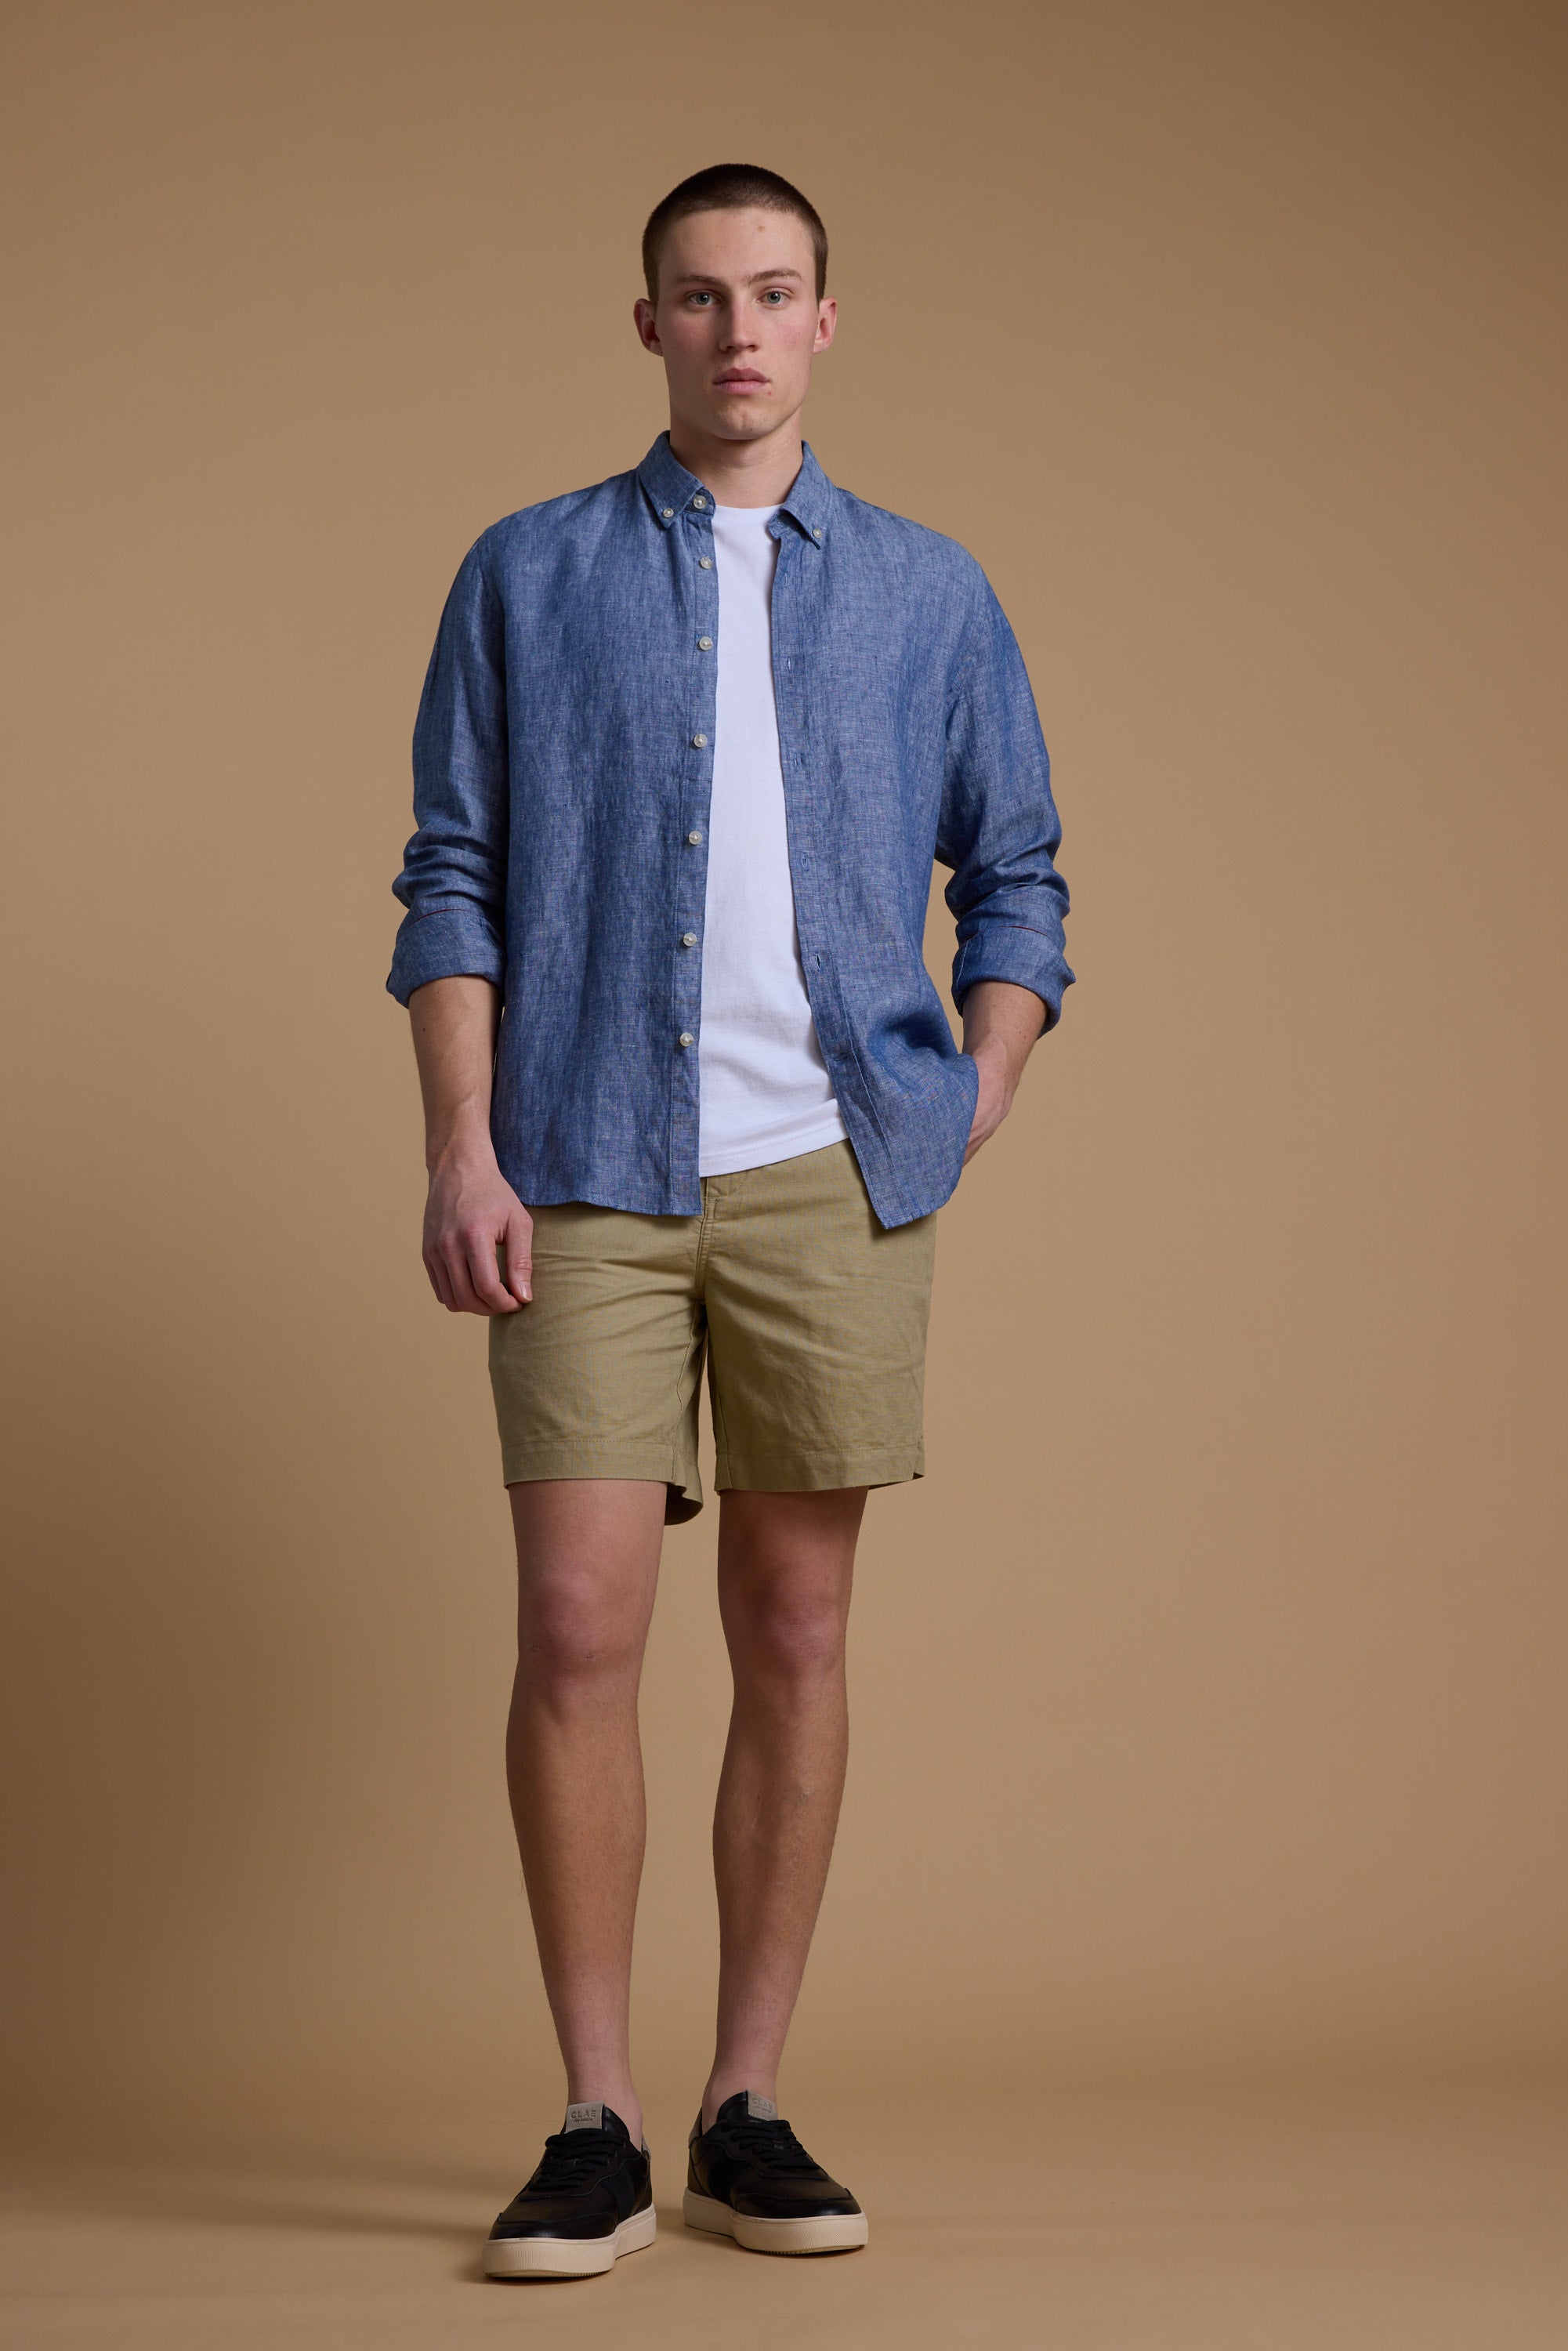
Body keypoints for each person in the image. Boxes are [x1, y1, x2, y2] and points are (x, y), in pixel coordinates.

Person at [387, 161, 1071, 2280]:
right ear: (649, 327)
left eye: (774, 294)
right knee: (577, 1627)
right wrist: (462, 1147)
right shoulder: (527, 571)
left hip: (828, 1169)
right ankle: (592, 2118)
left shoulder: (931, 591)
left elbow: (1021, 876)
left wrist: (973, 1089)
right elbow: (451, 874)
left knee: (793, 1630)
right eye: (700, 297)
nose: (739, 330)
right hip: (583, 1157)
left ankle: (742, 2106)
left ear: (824, 323)